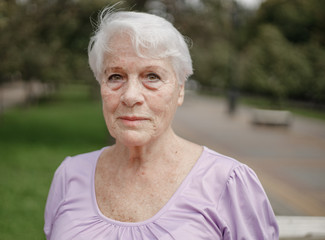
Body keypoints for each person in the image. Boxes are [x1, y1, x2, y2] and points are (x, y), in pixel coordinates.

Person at [44, 6, 279, 240]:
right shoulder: (69, 175)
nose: (130, 96)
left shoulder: (228, 183)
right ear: (101, 86)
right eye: (115, 76)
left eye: (152, 76)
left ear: (180, 91)